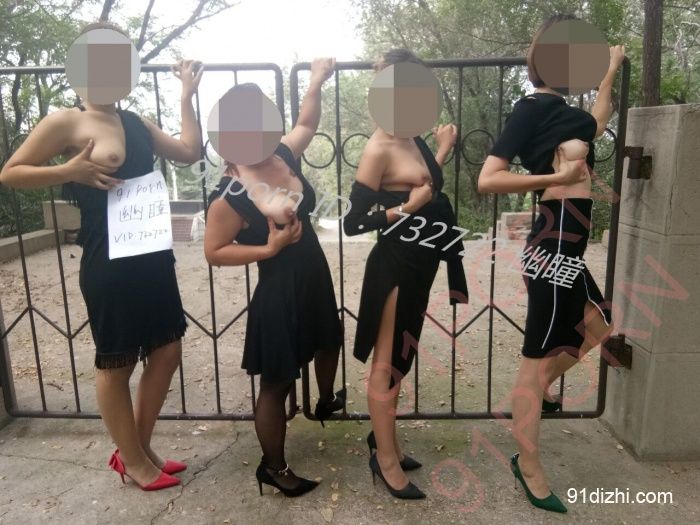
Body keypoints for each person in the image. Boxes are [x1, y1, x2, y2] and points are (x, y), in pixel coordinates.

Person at [0, 22, 203, 491]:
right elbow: (11, 173)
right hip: (108, 258)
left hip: (151, 253)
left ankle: (137, 450)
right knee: (117, 361)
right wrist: (68, 171)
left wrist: (187, 95)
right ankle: (134, 460)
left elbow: (190, 152)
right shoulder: (65, 122)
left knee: (167, 349)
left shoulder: (135, 121)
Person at [478, 14, 625, 513]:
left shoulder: (568, 114)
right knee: (536, 362)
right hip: (553, 244)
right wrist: (553, 177)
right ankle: (529, 464)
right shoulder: (530, 109)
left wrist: (611, 69)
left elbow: (598, 120)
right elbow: (488, 178)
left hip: (571, 247)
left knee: (600, 326)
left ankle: (534, 394)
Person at [204, 58, 344, 498]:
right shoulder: (230, 192)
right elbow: (214, 251)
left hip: (314, 274)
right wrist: (268, 248)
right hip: (280, 289)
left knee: (329, 339)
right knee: (278, 381)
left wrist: (316, 80)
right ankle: (274, 467)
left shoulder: (281, 153)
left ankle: (326, 401)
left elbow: (308, 122)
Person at [343, 49, 469, 500]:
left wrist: (442, 148)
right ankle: (385, 460)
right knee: (387, 364)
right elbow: (353, 223)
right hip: (395, 266)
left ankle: (386, 441)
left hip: (422, 264)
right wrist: (405, 209)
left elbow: (426, 182)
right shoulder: (378, 148)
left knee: (401, 357)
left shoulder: (413, 137)